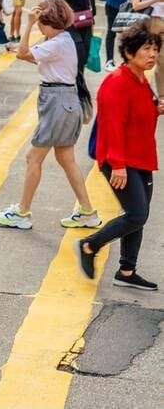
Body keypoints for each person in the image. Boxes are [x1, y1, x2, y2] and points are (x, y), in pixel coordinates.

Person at [0, 0, 101, 230]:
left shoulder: (58, 42)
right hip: (62, 100)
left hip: (57, 102)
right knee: (65, 158)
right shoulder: (62, 40)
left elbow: (23, 54)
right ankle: (86, 211)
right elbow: (34, 58)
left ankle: (22, 212)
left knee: (34, 157)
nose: (40, 26)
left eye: (42, 21)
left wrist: (28, 24)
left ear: (49, 21)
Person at [74, 22, 162, 289]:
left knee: (139, 214)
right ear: (129, 53)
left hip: (141, 155)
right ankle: (91, 245)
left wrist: (156, 109)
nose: (153, 55)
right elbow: (112, 127)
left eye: (155, 49)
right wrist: (118, 166)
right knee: (136, 215)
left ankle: (126, 271)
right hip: (120, 160)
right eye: (147, 49)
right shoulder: (116, 83)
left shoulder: (140, 79)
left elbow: (138, 112)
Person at [127, 0, 164, 92]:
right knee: (140, 60)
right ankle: (136, 90)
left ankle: (161, 96)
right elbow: (135, 5)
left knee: (163, 62)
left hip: (160, 22)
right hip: (145, 23)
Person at [57, 0, 96, 72]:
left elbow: (91, 4)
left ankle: (80, 80)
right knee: (76, 54)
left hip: (87, 24)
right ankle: (75, 82)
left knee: (84, 55)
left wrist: (92, 22)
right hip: (72, 25)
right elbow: (59, 4)